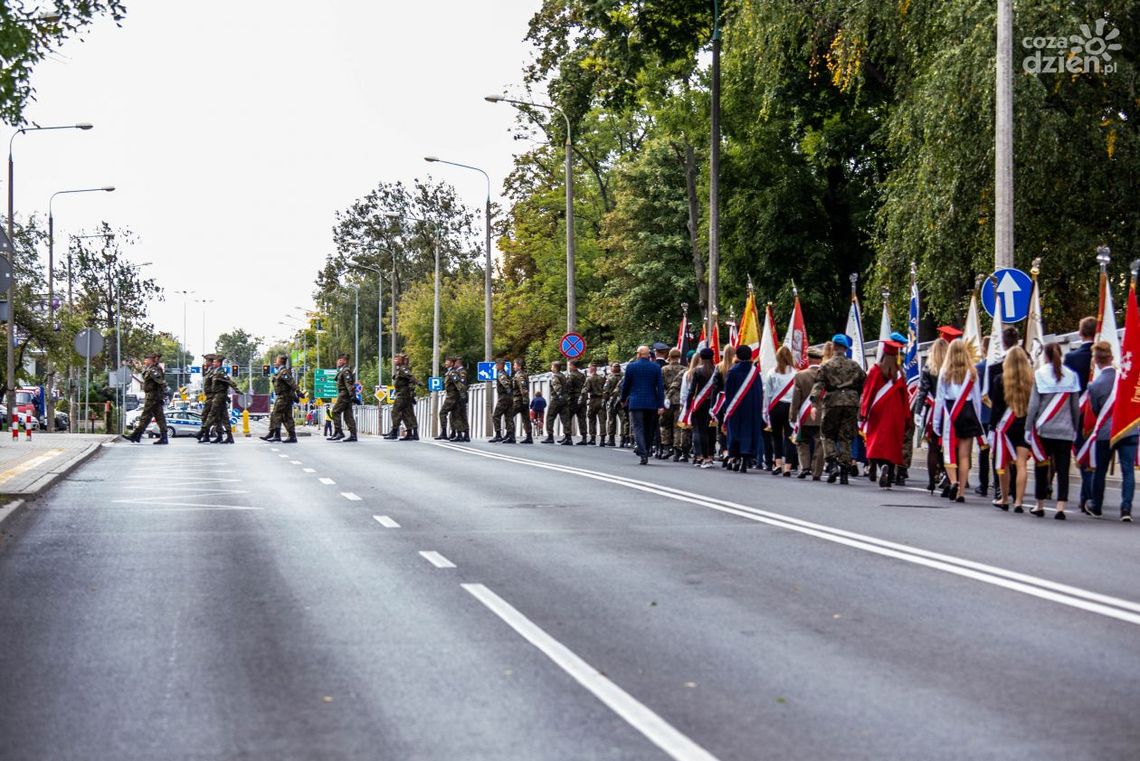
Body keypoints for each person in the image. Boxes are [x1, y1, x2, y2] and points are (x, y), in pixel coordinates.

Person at [1027, 342, 1081, 519]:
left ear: (1046, 356)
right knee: (1063, 469)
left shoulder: (1040, 375)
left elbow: (1034, 405)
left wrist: (1028, 427)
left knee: (1042, 466)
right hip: (1065, 430)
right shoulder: (1071, 376)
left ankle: (1040, 504)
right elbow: (1075, 407)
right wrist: (1075, 427)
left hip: (1045, 429)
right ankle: (1060, 507)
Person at [1086, 341, 1135, 521]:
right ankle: (1126, 509)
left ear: (1096, 361)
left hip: (1105, 431)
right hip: (1128, 429)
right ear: (1111, 357)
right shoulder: (1125, 377)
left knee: (1100, 470)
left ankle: (1096, 506)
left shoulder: (1095, 385)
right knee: (1128, 470)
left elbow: (1097, 411)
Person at [932, 338, 982, 502]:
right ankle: (961, 492)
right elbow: (976, 399)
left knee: (948, 452)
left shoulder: (945, 371)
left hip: (950, 412)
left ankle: (953, 481)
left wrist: (936, 422)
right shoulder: (972, 372)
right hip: (967, 412)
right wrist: (978, 419)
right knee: (964, 455)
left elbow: (939, 399)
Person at [812, 334, 866, 485]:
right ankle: (844, 470)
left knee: (827, 434)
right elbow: (864, 382)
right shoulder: (854, 365)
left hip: (832, 402)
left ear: (834, 347)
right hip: (850, 402)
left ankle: (832, 463)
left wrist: (813, 402)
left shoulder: (826, 365)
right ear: (846, 348)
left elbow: (819, 384)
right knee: (846, 437)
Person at [859, 340, 911, 488]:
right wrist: (907, 417)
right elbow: (905, 398)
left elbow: (869, 392)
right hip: (896, 412)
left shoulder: (876, 370)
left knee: (877, 442)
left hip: (878, 410)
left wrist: (864, 411)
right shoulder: (900, 372)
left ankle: (882, 466)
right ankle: (889, 473)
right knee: (892, 444)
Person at [991, 346, 1034, 512]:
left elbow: (996, 408)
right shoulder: (1031, 380)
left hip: (1005, 427)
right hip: (1024, 424)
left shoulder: (999, 380)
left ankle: (1004, 498)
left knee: (1004, 463)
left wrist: (992, 428)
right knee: (1021, 464)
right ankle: (1018, 502)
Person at [1066, 316, 1096, 513]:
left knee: (1083, 455)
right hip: (1101, 413)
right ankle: (1089, 496)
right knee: (1095, 456)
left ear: (1080, 332)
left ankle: (1088, 495)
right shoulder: (1109, 354)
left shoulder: (1071, 357)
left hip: (1079, 411)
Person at [913, 337, 949, 494]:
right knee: (948, 447)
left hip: (933, 410)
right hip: (949, 410)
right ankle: (948, 477)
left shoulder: (928, 368)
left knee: (932, 448)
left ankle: (931, 481)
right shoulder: (951, 368)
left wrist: (918, 411)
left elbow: (922, 392)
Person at [722, 345, 764, 473]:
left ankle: (735, 458)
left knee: (735, 432)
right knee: (748, 433)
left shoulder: (733, 371)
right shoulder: (755, 372)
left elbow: (728, 393)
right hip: (751, 408)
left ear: (738, 356)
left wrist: (726, 410)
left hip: (735, 408)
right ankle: (745, 459)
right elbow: (759, 392)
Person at [620, 345, 665, 465]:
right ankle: (647, 449)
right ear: (649, 355)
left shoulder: (631, 367)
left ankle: (643, 452)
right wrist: (661, 404)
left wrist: (623, 399)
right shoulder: (655, 367)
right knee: (649, 429)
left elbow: (626, 385)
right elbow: (660, 388)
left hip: (636, 402)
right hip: (651, 402)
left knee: (638, 428)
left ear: (639, 354)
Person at [681, 347, 719, 468]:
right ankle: (710, 455)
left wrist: (688, 406)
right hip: (714, 404)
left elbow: (692, 390)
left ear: (701, 358)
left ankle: (701, 456)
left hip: (700, 403)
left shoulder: (697, 371)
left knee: (699, 430)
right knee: (711, 431)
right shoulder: (717, 370)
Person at [791, 347, 825, 480]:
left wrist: (792, 416)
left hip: (805, 415)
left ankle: (805, 467)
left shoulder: (800, 375)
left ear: (809, 359)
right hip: (822, 414)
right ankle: (817, 472)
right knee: (819, 443)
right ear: (820, 360)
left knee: (802, 441)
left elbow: (796, 398)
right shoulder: (826, 376)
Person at [764, 345, 798, 476]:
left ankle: (777, 463)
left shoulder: (772, 372)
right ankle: (788, 467)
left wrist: (766, 410)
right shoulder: (795, 373)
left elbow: (768, 393)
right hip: (790, 407)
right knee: (790, 436)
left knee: (776, 436)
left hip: (776, 407)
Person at [122, 353, 169, 444]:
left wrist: (163, 393)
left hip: (152, 397)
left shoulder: (154, 370)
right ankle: (163, 437)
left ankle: (136, 435)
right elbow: (142, 370)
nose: (145, 361)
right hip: (154, 397)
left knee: (145, 416)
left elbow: (161, 382)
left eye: (146, 359)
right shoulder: (150, 369)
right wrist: (134, 364)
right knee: (159, 417)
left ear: (151, 360)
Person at [262, 354, 298, 443]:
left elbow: (291, 383)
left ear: (281, 362)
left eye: (276, 360)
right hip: (285, 397)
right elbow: (289, 385)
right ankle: (292, 436)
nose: (275, 362)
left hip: (283, 397)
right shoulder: (280, 371)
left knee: (276, 414)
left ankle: (275, 434)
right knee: (286, 417)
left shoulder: (283, 372)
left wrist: (298, 392)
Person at [659, 349, 685, 458]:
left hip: (667, 400)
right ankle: (677, 449)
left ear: (669, 356)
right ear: (679, 357)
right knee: (677, 425)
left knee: (665, 424)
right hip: (679, 400)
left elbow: (660, 385)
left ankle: (666, 447)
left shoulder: (664, 369)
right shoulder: (684, 369)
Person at [208, 355, 238, 444]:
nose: (213, 363)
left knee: (212, 415)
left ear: (218, 363)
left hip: (219, 398)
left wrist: (237, 390)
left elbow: (228, 382)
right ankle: (225, 436)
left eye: (214, 362)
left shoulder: (221, 372)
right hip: (217, 397)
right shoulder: (214, 371)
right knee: (221, 418)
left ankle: (203, 431)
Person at [329, 353, 358, 442]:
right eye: (338, 360)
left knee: (335, 411)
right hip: (346, 395)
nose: (338, 362)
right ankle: (353, 435)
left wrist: (352, 395)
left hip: (344, 394)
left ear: (344, 361)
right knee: (348, 415)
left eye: (340, 360)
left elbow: (348, 384)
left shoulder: (346, 371)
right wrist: (352, 395)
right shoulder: (342, 370)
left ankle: (339, 432)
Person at [389, 353, 418, 441]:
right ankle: (411, 433)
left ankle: (394, 432)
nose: (394, 360)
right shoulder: (400, 369)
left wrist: (418, 382)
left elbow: (410, 377)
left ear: (401, 360)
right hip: (405, 394)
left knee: (395, 412)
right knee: (407, 414)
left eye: (396, 359)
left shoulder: (403, 369)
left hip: (402, 395)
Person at [543, 361, 569, 444]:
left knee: (550, 417)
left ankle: (550, 436)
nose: (551, 368)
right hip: (565, 399)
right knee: (565, 418)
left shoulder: (555, 376)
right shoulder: (563, 376)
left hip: (556, 399)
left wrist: (559, 395)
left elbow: (557, 387)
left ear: (555, 368)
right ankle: (568, 437)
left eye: (552, 366)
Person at [490, 357, 514, 443]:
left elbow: (506, 383)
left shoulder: (501, 374)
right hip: (509, 397)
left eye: (497, 364)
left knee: (496, 415)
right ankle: (510, 435)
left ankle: (498, 435)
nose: (496, 366)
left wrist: (508, 390)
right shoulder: (505, 373)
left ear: (501, 365)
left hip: (503, 397)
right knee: (508, 416)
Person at [584, 360, 607, 446]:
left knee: (591, 419)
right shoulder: (602, 378)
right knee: (602, 421)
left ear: (591, 369)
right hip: (601, 400)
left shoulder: (589, 379)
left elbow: (586, 389)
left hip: (593, 400)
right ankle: (602, 440)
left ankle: (593, 438)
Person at [603, 361, 627, 448]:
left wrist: (605, 400)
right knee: (623, 420)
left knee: (611, 421)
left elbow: (606, 391)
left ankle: (611, 439)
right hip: (622, 401)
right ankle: (623, 440)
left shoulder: (610, 378)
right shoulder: (624, 377)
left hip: (612, 401)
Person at [510, 356, 532, 444]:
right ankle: (529, 436)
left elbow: (523, 388)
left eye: (514, 365)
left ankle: (511, 435)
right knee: (526, 419)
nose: (513, 367)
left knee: (509, 416)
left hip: (518, 400)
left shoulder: (520, 375)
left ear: (519, 366)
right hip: (523, 400)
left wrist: (525, 400)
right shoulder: (522, 374)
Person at [565, 359, 587, 444]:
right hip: (582, 398)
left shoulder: (572, 376)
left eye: (570, 365)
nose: (569, 367)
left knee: (568, 418)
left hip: (573, 399)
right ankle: (584, 437)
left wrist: (568, 398)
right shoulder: (582, 375)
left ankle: (568, 437)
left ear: (573, 366)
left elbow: (569, 387)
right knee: (582, 419)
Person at [195, 353, 216, 442]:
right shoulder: (209, 370)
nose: (205, 363)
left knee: (206, 416)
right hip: (210, 396)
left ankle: (203, 433)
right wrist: (204, 368)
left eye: (206, 361)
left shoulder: (214, 371)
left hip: (213, 397)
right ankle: (206, 435)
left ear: (210, 362)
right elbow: (204, 375)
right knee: (216, 417)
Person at [450, 356, 470, 442]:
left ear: (458, 363)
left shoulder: (461, 372)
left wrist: (461, 395)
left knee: (458, 415)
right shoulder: (458, 371)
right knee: (461, 415)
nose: (453, 364)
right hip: (461, 396)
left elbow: (461, 384)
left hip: (460, 396)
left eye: (454, 363)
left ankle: (461, 434)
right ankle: (464, 434)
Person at [435, 357, 455, 440]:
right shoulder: (449, 372)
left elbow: (458, 384)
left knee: (442, 413)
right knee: (454, 415)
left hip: (452, 396)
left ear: (452, 363)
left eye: (448, 362)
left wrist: (462, 394)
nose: (446, 363)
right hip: (451, 395)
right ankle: (453, 433)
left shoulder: (453, 372)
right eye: (445, 361)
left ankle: (444, 432)